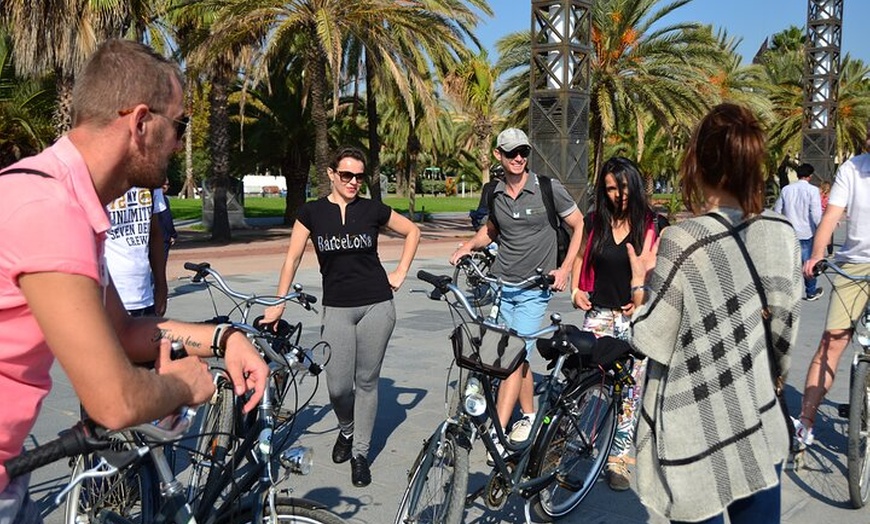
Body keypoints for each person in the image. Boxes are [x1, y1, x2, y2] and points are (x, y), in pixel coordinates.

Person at [0, 39, 269, 523]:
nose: (181, 142)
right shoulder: (50, 211)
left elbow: (124, 332)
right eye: (179, 125)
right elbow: (116, 400)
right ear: (141, 123)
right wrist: (183, 387)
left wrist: (224, 338)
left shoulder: (66, 200)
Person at [629, 103, 802, 523]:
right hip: (759, 412)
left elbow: (653, 338)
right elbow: (784, 335)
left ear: (697, 163)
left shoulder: (682, 240)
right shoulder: (781, 233)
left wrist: (640, 287)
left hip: (693, 425)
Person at [261, 146, 420, 487]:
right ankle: (346, 430)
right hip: (337, 308)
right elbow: (291, 260)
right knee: (337, 387)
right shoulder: (311, 213)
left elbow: (412, 232)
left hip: (377, 304)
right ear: (331, 174)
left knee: (366, 381)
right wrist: (280, 302)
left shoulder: (372, 209)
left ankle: (360, 453)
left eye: (359, 177)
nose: (353, 182)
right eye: (346, 175)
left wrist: (400, 271)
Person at [449, 127, 584, 461]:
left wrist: (565, 268)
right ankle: (528, 414)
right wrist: (467, 246)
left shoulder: (548, 189)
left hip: (533, 289)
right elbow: (491, 230)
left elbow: (579, 225)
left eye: (523, 151)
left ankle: (497, 433)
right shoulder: (495, 193)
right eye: (511, 153)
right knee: (513, 355)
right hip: (500, 285)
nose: (519, 158)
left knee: (508, 358)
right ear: (499, 155)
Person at [570, 156, 668, 491]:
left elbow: (659, 271)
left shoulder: (652, 224)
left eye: (622, 187)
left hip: (633, 320)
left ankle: (618, 458)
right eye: (610, 188)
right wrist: (575, 289)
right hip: (597, 313)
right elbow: (581, 256)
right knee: (581, 379)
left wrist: (643, 296)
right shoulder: (596, 220)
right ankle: (570, 440)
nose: (617, 195)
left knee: (628, 391)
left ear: (634, 185)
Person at [793, 139, 870, 450]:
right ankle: (806, 422)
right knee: (831, 341)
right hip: (854, 264)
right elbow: (830, 217)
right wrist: (816, 254)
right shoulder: (852, 169)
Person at [105, 186, 169, 316]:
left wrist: (161, 285)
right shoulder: (101, 178)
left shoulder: (150, 181)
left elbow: (154, 234)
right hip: (109, 296)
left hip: (144, 296)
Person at [774, 162, 823, 301]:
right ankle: (811, 291)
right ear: (810, 176)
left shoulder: (786, 190)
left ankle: (787, 293)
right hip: (806, 232)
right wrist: (821, 229)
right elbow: (816, 213)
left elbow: (778, 210)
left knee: (789, 264)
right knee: (808, 264)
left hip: (788, 232)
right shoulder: (813, 190)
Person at [157, 177, 178, 261]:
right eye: (165, 185)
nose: (166, 187)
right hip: (162, 237)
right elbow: (167, 218)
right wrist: (172, 234)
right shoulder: (162, 199)